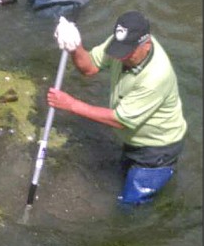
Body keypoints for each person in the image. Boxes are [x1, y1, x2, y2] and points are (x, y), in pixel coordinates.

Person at [49, 11, 187, 205]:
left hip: (156, 151)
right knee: (121, 181)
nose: (121, 58)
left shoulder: (156, 76)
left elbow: (120, 120)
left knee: (130, 207)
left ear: (146, 44)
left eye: (127, 53)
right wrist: (75, 46)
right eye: (119, 51)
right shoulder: (121, 43)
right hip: (133, 141)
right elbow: (89, 68)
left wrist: (71, 105)